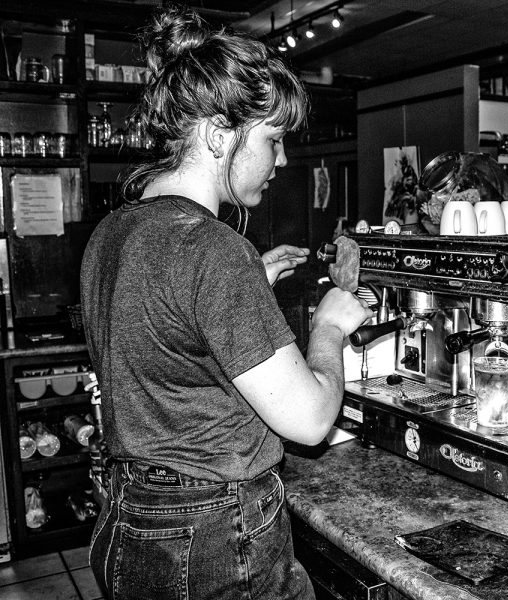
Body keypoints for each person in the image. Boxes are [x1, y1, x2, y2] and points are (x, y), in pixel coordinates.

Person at [79, 6, 372, 599]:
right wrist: (329, 329)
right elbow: (311, 421)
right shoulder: (214, 249)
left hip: (130, 518)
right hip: (211, 535)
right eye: (273, 140)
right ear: (219, 134)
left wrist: (246, 290)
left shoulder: (113, 233)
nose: (282, 161)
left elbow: (160, 339)